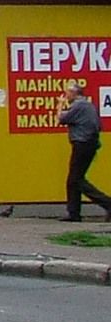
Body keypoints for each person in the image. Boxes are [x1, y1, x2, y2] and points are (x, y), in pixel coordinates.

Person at [59, 83, 111, 222]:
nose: (66, 96)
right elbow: (98, 126)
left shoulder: (78, 105)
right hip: (89, 144)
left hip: (82, 144)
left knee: (76, 180)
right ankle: (73, 213)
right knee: (73, 180)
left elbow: (62, 119)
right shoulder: (89, 105)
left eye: (68, 93)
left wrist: (59, 105)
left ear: (75, 93)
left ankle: (107, 203)